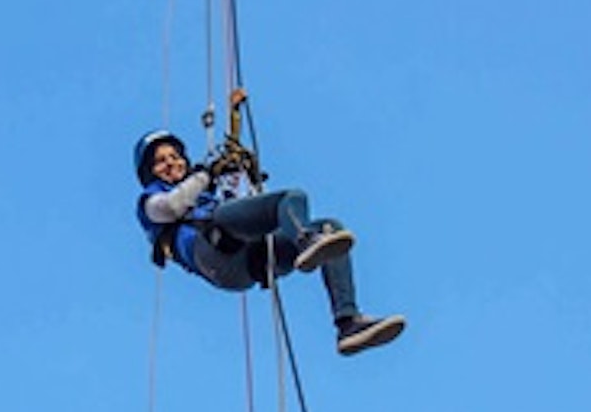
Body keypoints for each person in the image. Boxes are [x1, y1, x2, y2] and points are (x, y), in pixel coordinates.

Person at [133, 129, 405, 356]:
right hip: (213, 251)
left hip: (246, 265)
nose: (171, 163)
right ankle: (306, 241)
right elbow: (170, 207)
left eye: (175, 156)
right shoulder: (150, 201)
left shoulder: (208, 197)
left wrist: (241, 178)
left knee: (330, 228)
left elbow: (236, 205)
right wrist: (206, 175)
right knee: (290, 197)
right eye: (160, 161)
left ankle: (348, 322)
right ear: (150, 172)